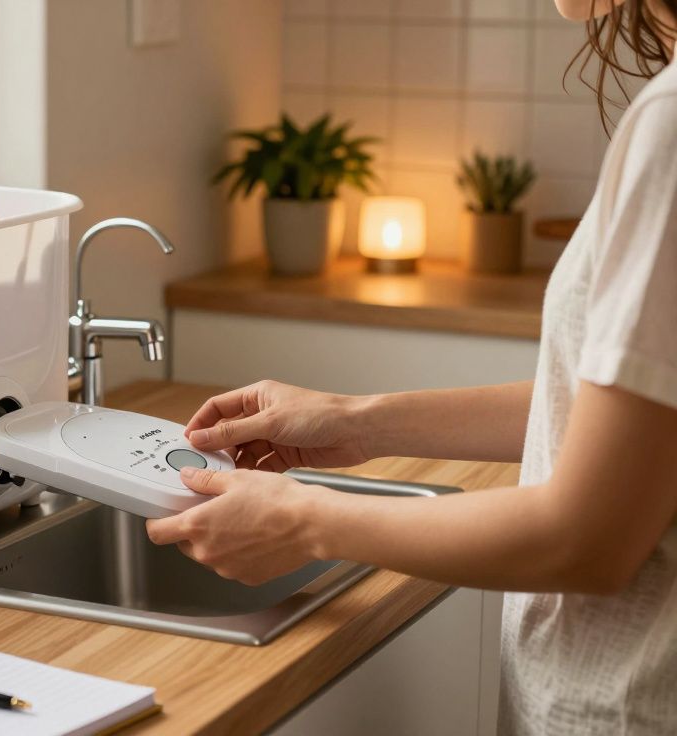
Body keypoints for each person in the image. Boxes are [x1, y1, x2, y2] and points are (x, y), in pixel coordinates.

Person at [145, 1, 677, 733]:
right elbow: (627, 419)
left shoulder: (670, 127)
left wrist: (303, 520)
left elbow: (585, 539)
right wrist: (361, 421)